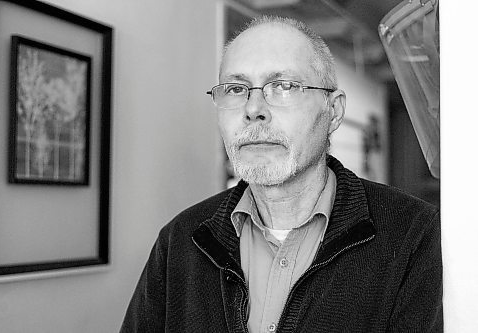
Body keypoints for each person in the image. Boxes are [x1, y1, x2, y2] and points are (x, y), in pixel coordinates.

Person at [121, 16, 442, 332]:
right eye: (235, 89)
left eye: (284, 86)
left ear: (334, 111)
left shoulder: (414, 235)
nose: (253, 109)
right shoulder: (181, 240)